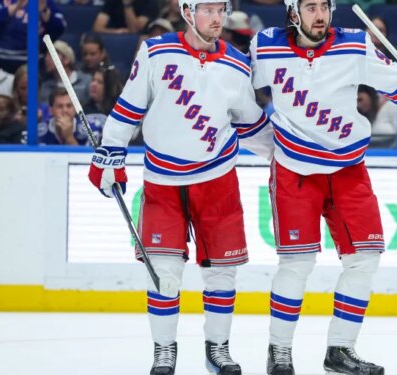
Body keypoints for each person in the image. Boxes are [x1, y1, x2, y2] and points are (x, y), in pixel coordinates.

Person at [248, 0, 397, 373]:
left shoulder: (354, 44)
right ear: (294, 13)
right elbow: (238, 98)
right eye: (311, 7)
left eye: (324, 6)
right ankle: (279, 352)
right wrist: (266, 145)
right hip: (295, 172)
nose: (320, 15)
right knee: (296, 264)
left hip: (348, 169)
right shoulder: (265, 47)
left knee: (364, 259)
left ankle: (340, 350)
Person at [87, 0, 273, 374]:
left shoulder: (237, 63)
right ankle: (164, 350)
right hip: (163, 183)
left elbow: (252, 123)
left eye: (221, 10)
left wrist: (285, 158)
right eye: (208, 10)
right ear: (188, 12)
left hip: (217, 180)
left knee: (222, 273)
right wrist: (110, 154)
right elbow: (128, 108)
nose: (217, 18)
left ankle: (217, 349)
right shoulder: (156, 51)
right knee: (163, 273)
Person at [0, 0, 66, 73]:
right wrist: (16, 6)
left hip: (33, 62)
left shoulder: (43, 2)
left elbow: (59, 27)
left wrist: (46, 15)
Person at [39, 88, 104, 145]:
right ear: (51, 111)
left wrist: (69, 137)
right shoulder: (39, 133)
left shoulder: (89, 131)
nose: (65, 110)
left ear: (75, 109)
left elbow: (88, 158)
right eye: (60, 106)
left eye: (69, 106)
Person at [41, 40, 92, 107]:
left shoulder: (87, 81)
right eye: (46, 55)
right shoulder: (46, 87)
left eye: (51, 55)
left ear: (66, 59)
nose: (46, 59)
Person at [92, 0, 159, 34]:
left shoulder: (150, 2)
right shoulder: (113, 1)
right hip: (115, 39)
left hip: (138, 43)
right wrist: (116, 32)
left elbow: (134, 31)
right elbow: (97, 28)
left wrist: (127, 4)